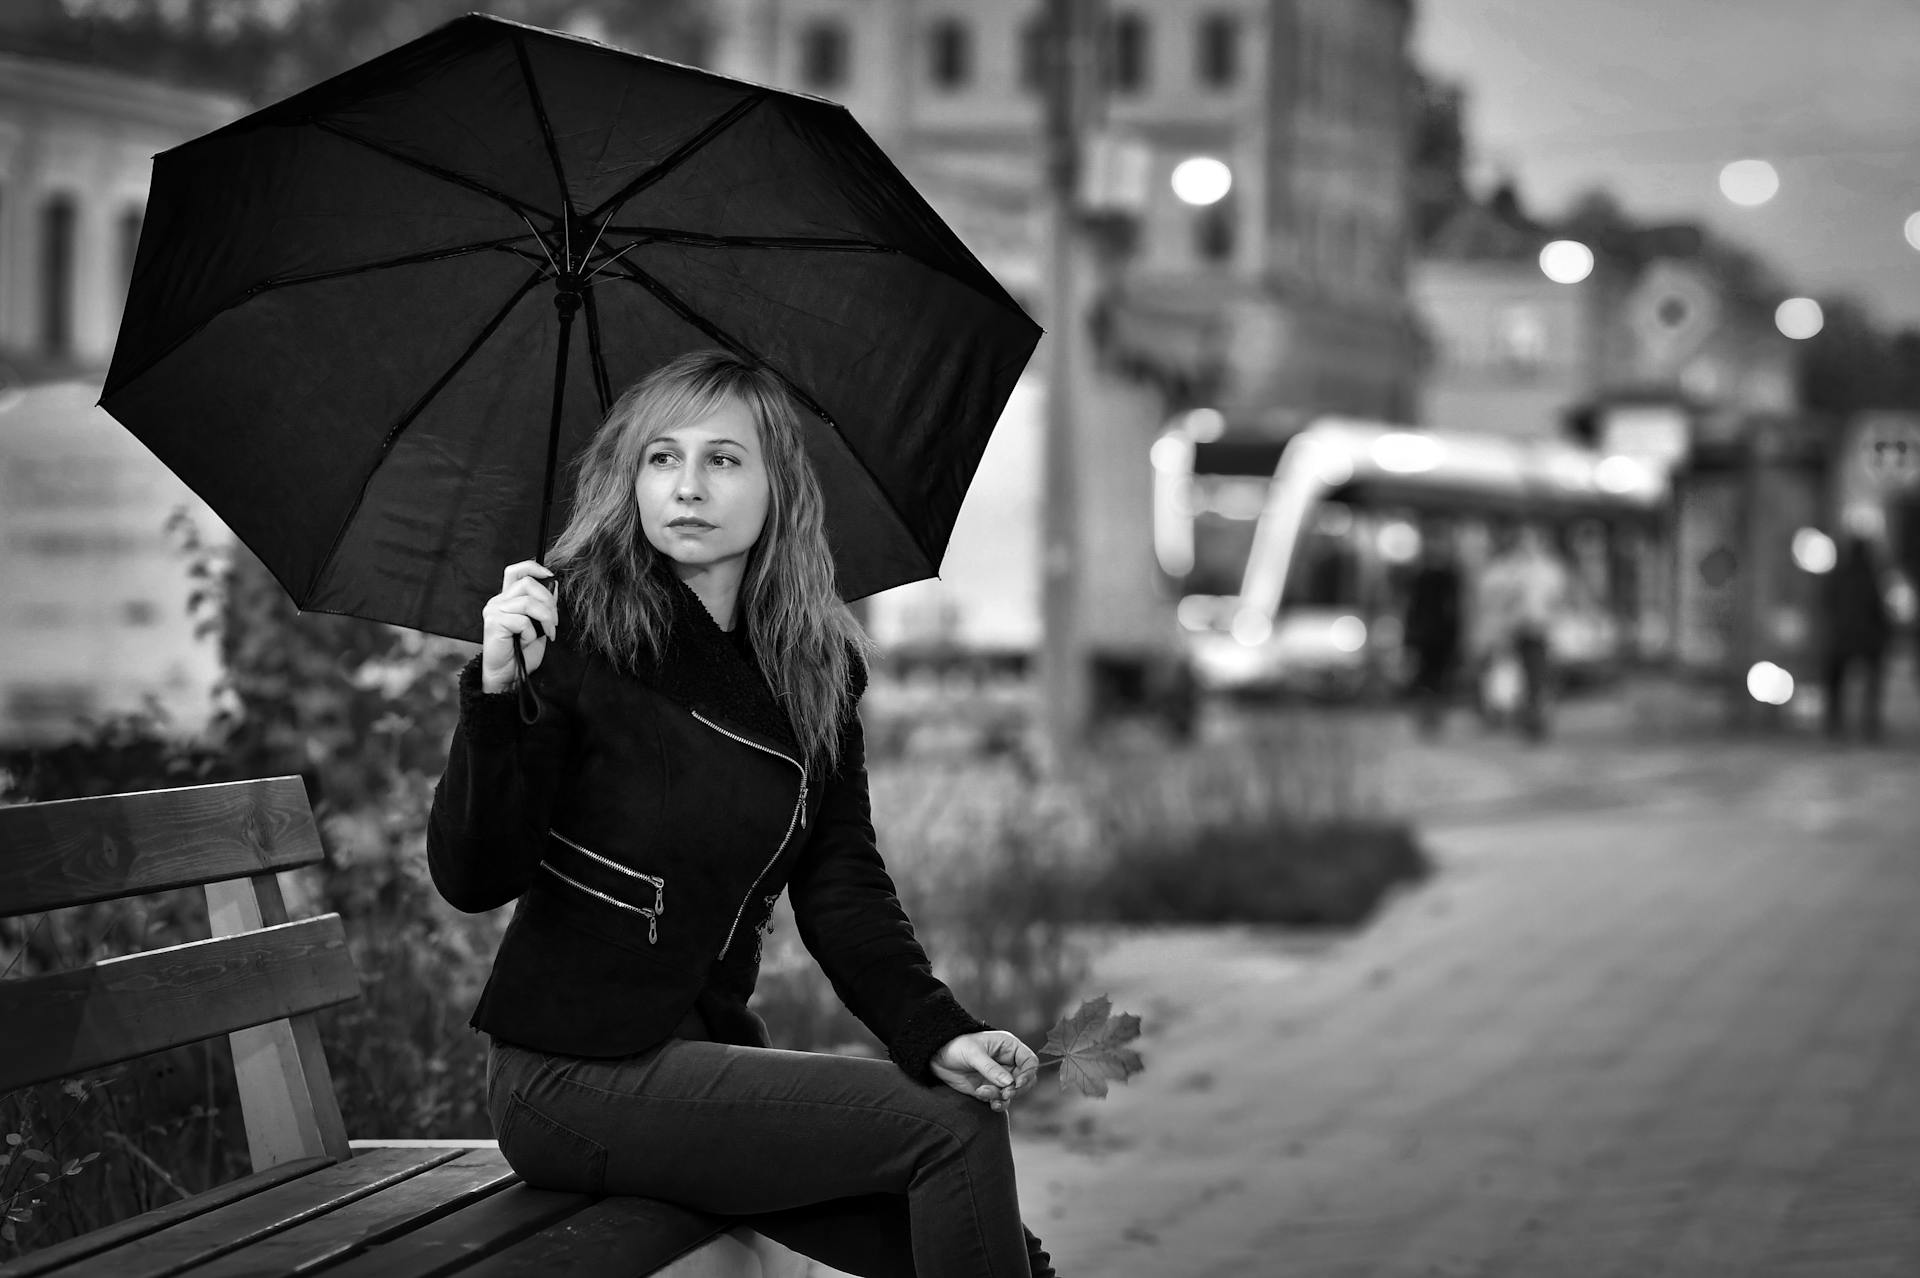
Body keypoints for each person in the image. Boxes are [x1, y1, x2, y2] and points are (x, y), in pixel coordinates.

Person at [427, 350, 1057, 1277]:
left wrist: (936, 1030)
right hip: (568, 1076)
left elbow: (843, 887)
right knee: (950, 1131)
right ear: (629, 479)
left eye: (722, 459)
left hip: (696, 1062)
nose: (688, 486)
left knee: (1002, 1248)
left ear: (777, 489)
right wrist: (496, 697)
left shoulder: (815, 669)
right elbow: (473, 878)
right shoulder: (571, 635)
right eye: (661, 458)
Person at [1475, 524, 1569, 741]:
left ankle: (1534, 719)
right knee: (1510, 676)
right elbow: (1492, 599)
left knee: (1536, 677)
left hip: (1538, 630)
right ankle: (1515, 715)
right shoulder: (1505, 569)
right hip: (1512, 630)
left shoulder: (1548, 569)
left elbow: (1557, 599)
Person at [1821, 517, 1893, 743]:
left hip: (1845, 637)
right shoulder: (1872, 576)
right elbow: (1879, 609)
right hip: (1864, 638)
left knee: (1837, 680)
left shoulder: (1842, 574)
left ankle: (1836, 722)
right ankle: (1867, 723)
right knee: (1869, 680)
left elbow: (1828, 603)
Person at [1401, 521, 1465, 738]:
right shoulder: (1422, 576)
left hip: (1443, 638)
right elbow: (1413, 609)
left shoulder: (1451, 577)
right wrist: (1410, 636)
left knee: (1440, 680)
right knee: (1424, 679)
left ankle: (1434, 720)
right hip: (1425, 637)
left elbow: (1456, 610)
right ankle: (1426, 719)